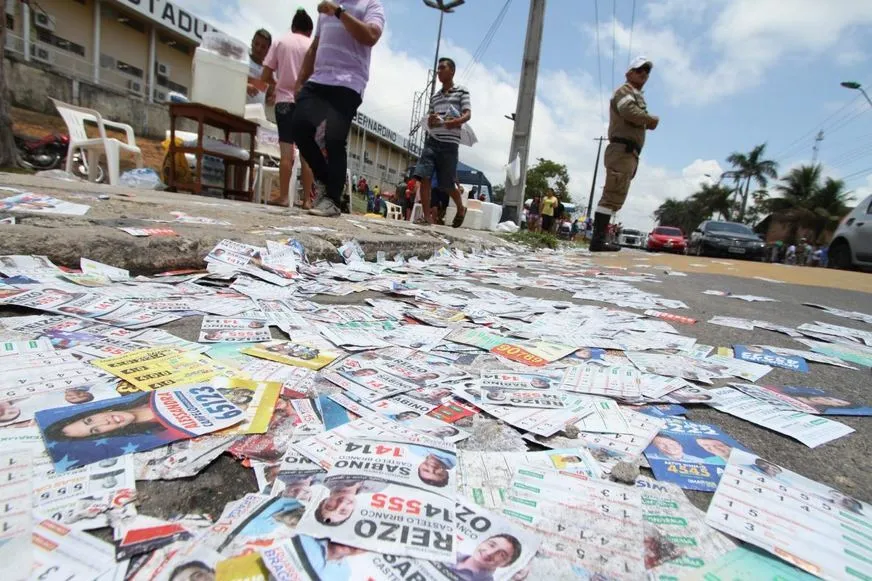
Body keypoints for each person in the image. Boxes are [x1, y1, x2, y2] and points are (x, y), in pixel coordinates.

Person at [291, 0, 385, 217]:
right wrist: (300, 80)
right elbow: (315, 47)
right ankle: (326, 179)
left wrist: (339, 13)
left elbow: (371, 36)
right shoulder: (328, 8)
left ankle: (332, 199)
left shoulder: (371, 5)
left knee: (334, 138)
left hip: (349, 82)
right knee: (299, 127)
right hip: (319, 79)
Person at [591, 56, 659, 252]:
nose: (644, 74)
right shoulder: (625, 91)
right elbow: (628, 111)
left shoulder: (635, 93)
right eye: (639, 70)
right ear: (629, 73)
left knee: (616, 195)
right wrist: (650, 120)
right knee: (611, 194)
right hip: (622, 149)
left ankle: (600, 239)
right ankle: (597, 241)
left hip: (628, 152)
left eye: (647, 71)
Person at [261, 9, 316, 208]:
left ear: (293, 27)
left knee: (286, 153)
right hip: (307, 104)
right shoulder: (313, 46)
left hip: (284, 101)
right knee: (307, 154)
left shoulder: (281, 41)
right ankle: (308, 200)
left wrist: (277, 84)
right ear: (309, 31)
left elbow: (265, 75)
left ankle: (284, 196)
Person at [412, 57, 471, 227]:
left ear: (452, 71)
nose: (439, 71)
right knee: (424, 177)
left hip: (450, 144)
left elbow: (468, 114)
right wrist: (431, 119)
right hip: (432, 141)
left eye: (442, 68)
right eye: (438, 68)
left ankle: (460, 208)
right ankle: (426, 217)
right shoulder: (435, 97)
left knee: (446, 184)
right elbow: (430, 116)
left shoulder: (462, 92)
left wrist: (455, 121)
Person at [42, 393, 167, 441]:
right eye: (95, 430)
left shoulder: (144, 395)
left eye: (89, 420)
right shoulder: (161, 431)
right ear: (104, 434)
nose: (105, 423)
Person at [447, 534, 523, 581]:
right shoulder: (450, 553)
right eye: (491, 545)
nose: (489, 553)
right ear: (482, 542)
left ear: (505, 565)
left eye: (501, 555)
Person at [314, 477, 387, 525]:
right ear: (353, 508)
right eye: (344, 511)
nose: (341, 504)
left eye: (330, 507)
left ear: (323, 501)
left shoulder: (324, 476)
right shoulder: (379, 486)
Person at [247, 29, 273, 106]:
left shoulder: (270, 72)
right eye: (256, 44)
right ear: (252, 43)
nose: (258, 49)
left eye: (263, 47)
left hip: (255, 115)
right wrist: (245, 86)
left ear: (269, 49)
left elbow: (269, 97)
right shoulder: (242, 60)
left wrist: (272, 98)